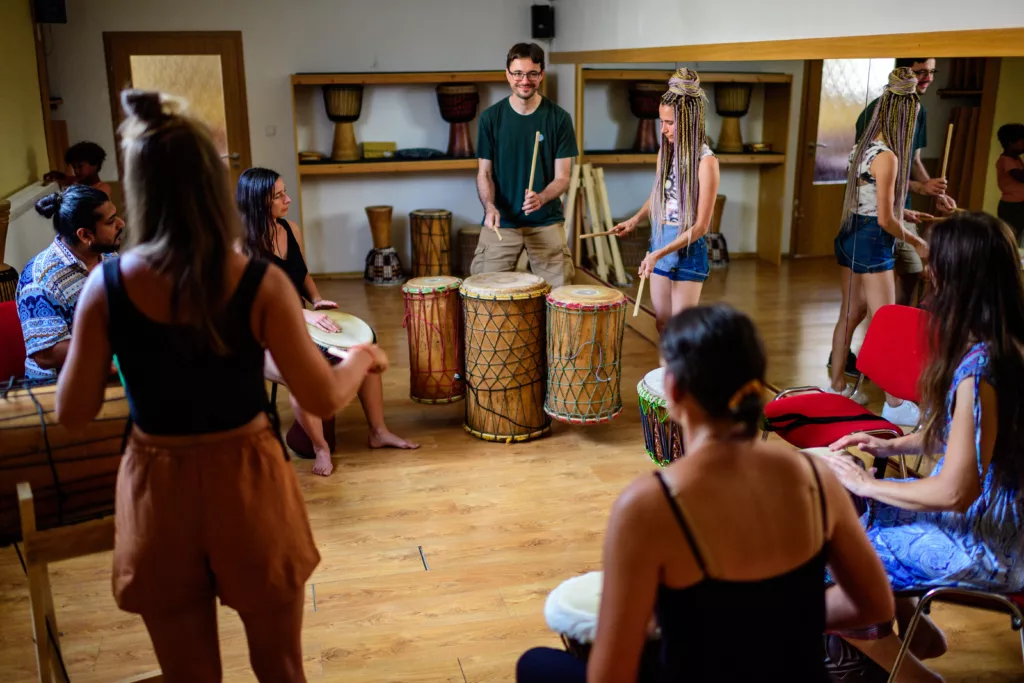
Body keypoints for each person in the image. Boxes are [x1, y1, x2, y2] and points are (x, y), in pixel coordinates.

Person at [54, 88, 390, 683]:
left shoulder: (106, 286)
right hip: (246, 480)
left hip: (158, 489)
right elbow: (318, 398)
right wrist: (360, 357)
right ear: (212, 185)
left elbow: (74, 412)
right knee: (280, 668)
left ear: (138, 188)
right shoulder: (258, 282)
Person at [516, 303, 895, 683]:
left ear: (674, 391)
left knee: (534, 665)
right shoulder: (817, 479)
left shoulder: (650, 504)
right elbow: (875, 604)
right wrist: (776, 618)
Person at [825, 211, 1024, 682]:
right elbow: (971, 439)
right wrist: (889, 447)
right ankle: (917, 633)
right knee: (849, 509)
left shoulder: (982, 369)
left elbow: (955, 493)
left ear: (957, 277)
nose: (928, 272)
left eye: (936, 263)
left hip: (987, 542)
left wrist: (870, 486)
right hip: (999, 521)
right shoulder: (1006, 345)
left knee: (842, 566)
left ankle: (912, 669)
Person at [237, 167, 418, 477]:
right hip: (261, 337)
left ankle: (378, 431)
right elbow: (250, 305)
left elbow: (303, 275)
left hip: (301, 322)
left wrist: (316, 299)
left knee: (363, 348)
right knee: (302, 374)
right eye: (279, 196)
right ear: (257, 202)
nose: (288, 199)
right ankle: (320, 446)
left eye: (285, 191)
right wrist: (303, 313)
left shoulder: (290, 229)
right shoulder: (239, 247)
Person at [827, 67, 929, 426]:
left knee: (850, 314)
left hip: (851, 233)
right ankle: (895, 402)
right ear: (904, 116)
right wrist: (918, 244)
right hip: (872, 239)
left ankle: (837, 385)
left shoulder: (865, 147)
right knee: (886, 324)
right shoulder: (889, 157)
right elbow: (884, 221)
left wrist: (908, 214)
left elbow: (871, 202)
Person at [611, 68, 721, 335]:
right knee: (662, 324)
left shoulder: (706, 163)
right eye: (662, 122)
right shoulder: (666, 152)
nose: (664, 129)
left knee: (682, 333)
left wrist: (658, 253)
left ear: (688, 121)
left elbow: (702, 226)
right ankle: (668, 377)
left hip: (686, 250)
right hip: (660, 239)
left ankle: (686, 376)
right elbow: (659, 194)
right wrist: (635, 220)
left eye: (669, 123)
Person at [472, 42, 577, 288]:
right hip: (502, 222)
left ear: (541, 75)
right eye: (517, 73)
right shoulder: (491, 118)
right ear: (507, 74)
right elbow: (484, 174)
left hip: (545, 221)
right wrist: (489, 207)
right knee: (484, 292)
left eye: (532, 73)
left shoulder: (559, 118)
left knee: (559, 296)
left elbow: (563, 177)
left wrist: (541, 197)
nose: (524, 80)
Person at [855, 58, 956, 307]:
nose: (928, 78)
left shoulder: (919, 109)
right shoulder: (876, 112)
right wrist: (918, 187)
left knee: (911, 272)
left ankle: (897, 324)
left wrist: (934, 191)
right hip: (874, 212)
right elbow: (868, 172)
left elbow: (914, 161)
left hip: (901, 208)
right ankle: (883, 329)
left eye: (932, 72)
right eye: (921, 72)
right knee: (862, 300)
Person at [16, 185, 124, 380]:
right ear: (85, 235)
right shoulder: (40, 279)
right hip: (56, 389)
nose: (121, 223)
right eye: (110, 222)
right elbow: (46, 355)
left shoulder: (108, 255)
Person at [44, 141, 114, 197]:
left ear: (94, 165)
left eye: (80, 166)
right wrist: (57, 175)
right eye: (74, 167)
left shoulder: (103, 189)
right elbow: (65, 178)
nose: (76, 171)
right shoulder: (79, 180)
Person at [995, 123, 1024, 244]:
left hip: (1020, 204)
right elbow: (1020, 177)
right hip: (1012, 206)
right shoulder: (1005, 160)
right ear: (1011, 143)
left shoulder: (1016, 159)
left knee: (1018, 236)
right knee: (1010, 236)